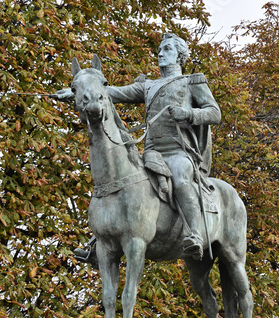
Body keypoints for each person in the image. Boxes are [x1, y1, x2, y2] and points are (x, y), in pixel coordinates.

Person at [57, 33, 221, 260]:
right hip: (152, 152)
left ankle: (194, 234)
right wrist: (74, 93)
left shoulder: (192, 82)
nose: (160, 54)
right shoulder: (148, 86)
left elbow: (215, 112)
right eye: (160, 50)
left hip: (179, 151)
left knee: (180, 177)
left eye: (167, 50)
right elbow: (109, 92)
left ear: (180, 55)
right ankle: (100, 241)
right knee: (124, 182)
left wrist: (188, 113)